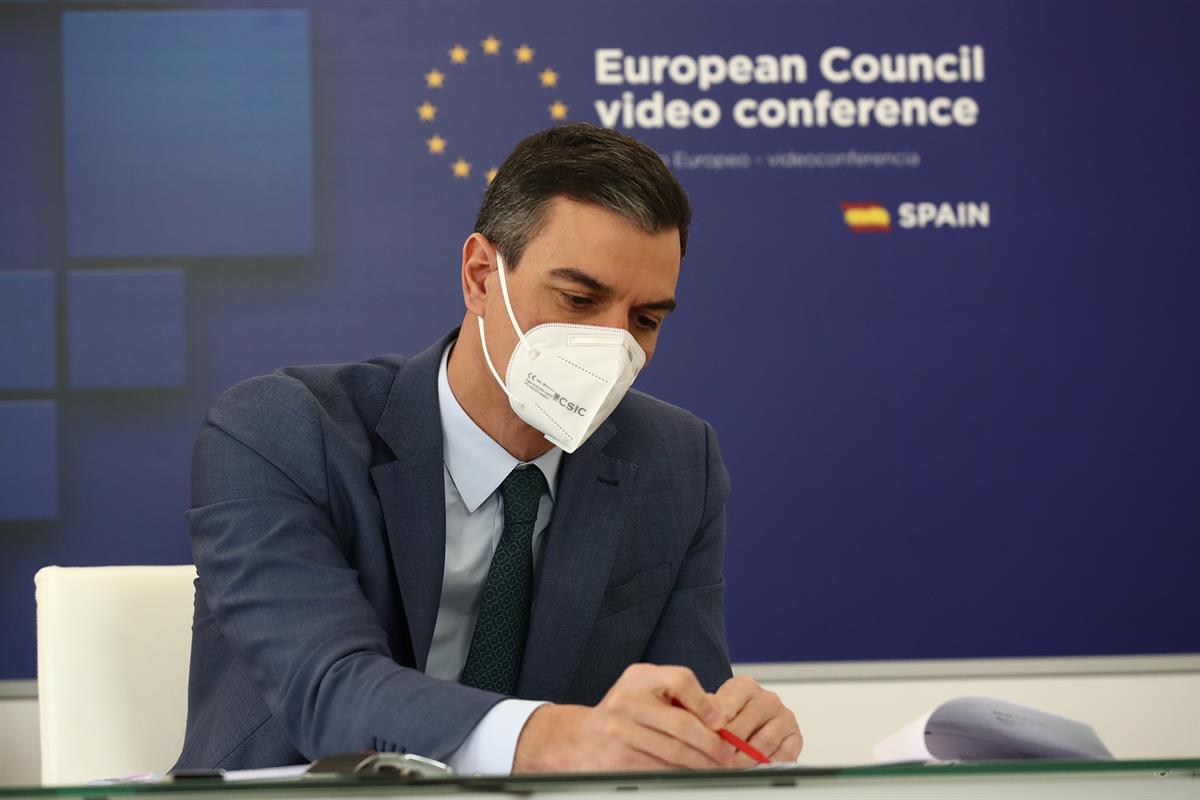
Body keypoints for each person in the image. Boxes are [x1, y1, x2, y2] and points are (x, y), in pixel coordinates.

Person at [175, 123, 802, 774]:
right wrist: (551, 737)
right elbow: (326, 691)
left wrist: (721, 734)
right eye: (580, 299)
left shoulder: (676, 462)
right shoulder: (280, 430)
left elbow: (678, 714)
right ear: (480, 277)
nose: (614, 345)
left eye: (645, 320)